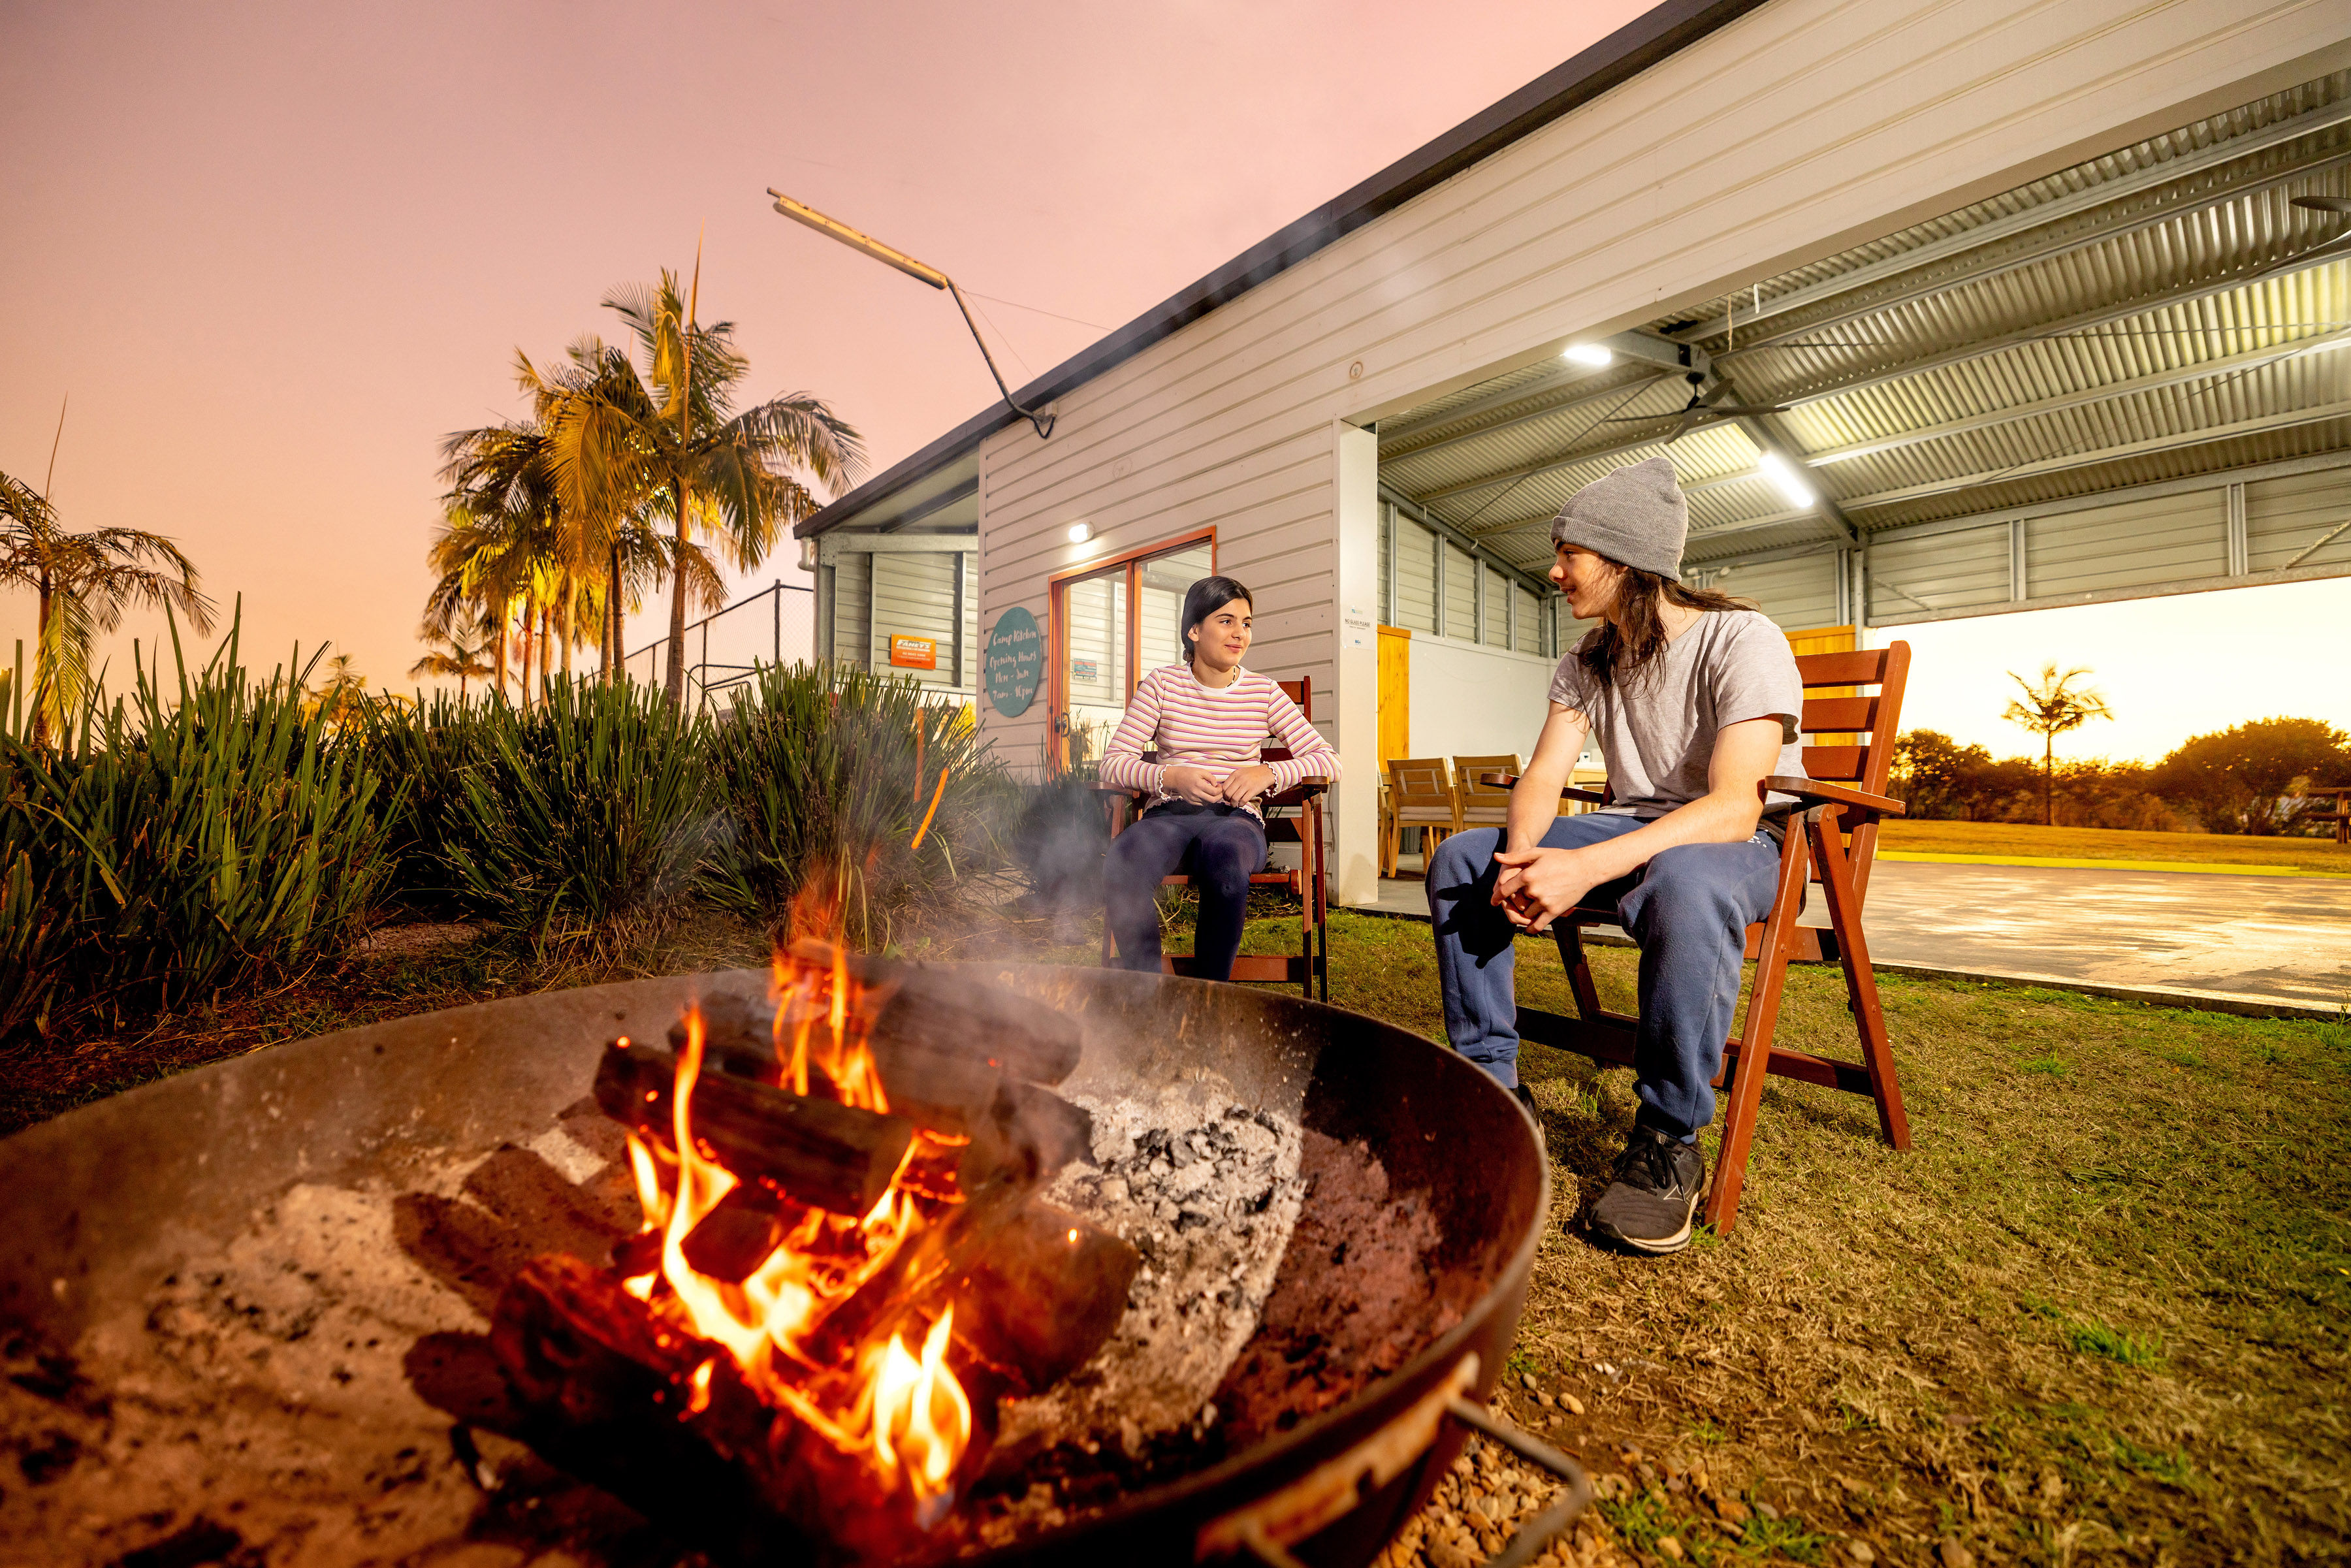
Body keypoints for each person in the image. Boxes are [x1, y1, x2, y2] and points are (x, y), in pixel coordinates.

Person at [1426, 457, 1806, 1255]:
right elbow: (1543, 776)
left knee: (1685, 881)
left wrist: (1586, 868)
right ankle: (1495, 1091)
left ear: (1627, 560)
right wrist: (1521, 859)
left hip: (1744, 844)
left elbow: (1735, 806)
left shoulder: (1744, 639)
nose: (1555, 570)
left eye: (1570, 553)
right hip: (1638, 829)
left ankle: (1669, 1140)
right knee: (1465, 860)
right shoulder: (1588, 660)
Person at [1099, 575, 1339, 982]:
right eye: (1226, 621)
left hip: (1235, 821)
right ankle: (1144, 993)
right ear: (1194, 630)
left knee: (1226, 865)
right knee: (1124, 862)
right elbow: (1112, 764)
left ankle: (1208, 999)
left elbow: (1328, 760)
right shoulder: (1162, 685)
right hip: (1168, 819)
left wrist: (1269, 772)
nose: (1240, 633)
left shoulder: (1263, 693)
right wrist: (1170, 777)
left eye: (1246, 623)